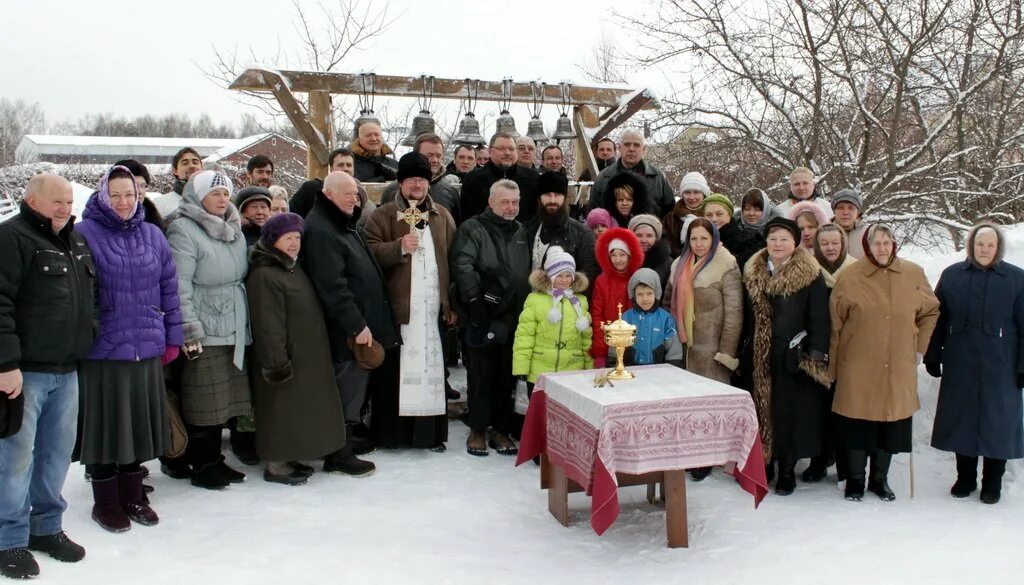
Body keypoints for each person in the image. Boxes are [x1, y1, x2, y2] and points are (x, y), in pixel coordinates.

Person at [73, 165, 182, 531]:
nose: (123, 202)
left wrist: (173, 337)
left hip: (147, 345)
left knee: (137, 423)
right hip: (103, 350)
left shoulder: (153, 234)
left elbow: (169, 288)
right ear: (103, 195)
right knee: (106, 426)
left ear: (140, 197)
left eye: (130, 194)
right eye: (115, 194)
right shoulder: (83, 234)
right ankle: (105, 502)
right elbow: (79, 295)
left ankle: (133, 494)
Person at [0, 174, 93, 579]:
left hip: (67, 369)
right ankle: (9, 539)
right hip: (27, 373)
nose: (65, 208)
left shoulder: (74, 241)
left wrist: (91, 333)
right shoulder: (11, 238)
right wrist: (5, 364)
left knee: (57, 455)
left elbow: (90, 297)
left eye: (69, 202)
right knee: (15, 460)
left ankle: (46, 527)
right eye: (57, 202)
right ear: (33, 200)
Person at [830, 223, 939, 502]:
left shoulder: (912, 273)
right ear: (867, 246)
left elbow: (930, 312)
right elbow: (835, 323)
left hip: (898, 363)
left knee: (889, 425)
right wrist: (833, 367)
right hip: (857, 364)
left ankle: (880, 478)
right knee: (857, 424)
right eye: (876, 243)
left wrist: (919, 349)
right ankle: (855, 480)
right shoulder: (851, 276)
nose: (882, 248)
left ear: (894, 245)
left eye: (887, 242)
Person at [303, 171, 397, 473]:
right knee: (347, 387)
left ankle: (344, 442)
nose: (354, 199)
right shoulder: (321, 229)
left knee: (355, 387)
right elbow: (333, 286)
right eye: (347, 194)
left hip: (359, 325)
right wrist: (356, 325)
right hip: (345, 331)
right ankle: (338, 453)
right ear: (329, 194)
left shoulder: (341, 223)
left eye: (356, 195)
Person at [166, 170, 253, 490]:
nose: (221, 199)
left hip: (234, 320)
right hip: (204, 321)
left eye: (225, 193)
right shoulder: (183, 229)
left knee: (225, 398)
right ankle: (202, 463)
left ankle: (216, 459)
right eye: (214, 193)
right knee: (204, 397)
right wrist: (189, 329)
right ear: (197, 196)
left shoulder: (235, 227)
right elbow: (179, 284)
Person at [925, 223, 1024, 504]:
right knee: (962, 418)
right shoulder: (953, 275)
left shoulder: (1017, 279)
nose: (984, 250)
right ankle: (965, 477)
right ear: (971, 246)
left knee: (998, 421)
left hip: (1002, 363)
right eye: (980, 244)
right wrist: (933, 353)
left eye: (990, 245)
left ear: (998, 248)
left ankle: (993, 481)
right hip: (961, 360)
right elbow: (938, 319)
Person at [246, 213, 346, 485]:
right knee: (278, 411)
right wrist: (277, 362)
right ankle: (276, 465)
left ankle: (290, 457)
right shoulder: (265, 274)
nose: (293, 243)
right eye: (287, 238)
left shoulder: (292, 267)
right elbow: (268, 324)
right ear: (272, 240)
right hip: (282, 359)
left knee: (294, 412)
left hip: (304, 357)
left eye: (297, 238)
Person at [365, 153, 456, 451]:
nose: (417, 185)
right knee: (396, 376)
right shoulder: (384, 215)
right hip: (399, 312)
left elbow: (453, 259)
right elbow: (368, 253)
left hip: (431, 312)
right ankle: (394, 435)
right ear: (401, 183)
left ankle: (428, 436)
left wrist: (450, 304)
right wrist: (398, 247)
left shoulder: (441, 216)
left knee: (431, 371)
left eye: (422, 180)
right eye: (411, 180)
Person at [744, 217, 831, 496]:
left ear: (795, 242)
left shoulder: (810, 274)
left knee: (789, 413)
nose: (777, 244)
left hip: (792, 353)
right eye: (772, 239)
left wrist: (812, 353)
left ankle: (786, 470)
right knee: (761, 409)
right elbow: (745, 315)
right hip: (759, 354)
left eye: (783, 239)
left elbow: (819, 316)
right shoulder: (753, 270)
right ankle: (765, 462)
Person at [450, 179, 532, 457]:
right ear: (491, 202)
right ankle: (477, 429)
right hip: (481, 313)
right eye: (505, 202)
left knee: (505, 374)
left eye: (515, 202)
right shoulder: (473, 229)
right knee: (480, 373)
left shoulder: (522, 231)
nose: (510, 207)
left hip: (514, 315)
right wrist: (476, 299)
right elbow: (462, 263)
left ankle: (500, 428)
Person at [512, 247, 593, 387]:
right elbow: (524, 336)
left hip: (571, 370)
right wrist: (521, 367)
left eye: (568, 276)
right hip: (539, 370)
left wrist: (589, 368)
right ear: (550, 277)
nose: (564, 280)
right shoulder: (535, 299)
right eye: (559, 276)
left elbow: (586, 339)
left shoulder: (580, 301)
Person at [524, 172, 599, 288]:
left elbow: (587, 278)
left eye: (557, 194)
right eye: (547, 194)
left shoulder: (582, 234)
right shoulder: (527, 230)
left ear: (565, 198)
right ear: (539, 198)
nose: (552, 200)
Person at [591, 227, 645, 368]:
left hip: (633, 344)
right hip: (609, 342)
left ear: (630, 255)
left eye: (622, 254)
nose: (617, 259)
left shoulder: (638, 278)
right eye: (613, 255)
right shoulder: (601, 281)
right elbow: (597, 315)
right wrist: (600, 349)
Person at [590, 129, 675, 217]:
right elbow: (592, 212)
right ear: (619, 148)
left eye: (636, 145)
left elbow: (670, 212)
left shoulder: (657, 177)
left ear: (644, 149)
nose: (631, 149)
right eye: (627, 144)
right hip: (614, 230)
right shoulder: (604, 177)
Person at [381, 133, 461, 224]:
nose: (435, 160)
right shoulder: (392, 190)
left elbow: (454, 229)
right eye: (429, 155)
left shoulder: (449, 192)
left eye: (438, 156)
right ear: (416, 155)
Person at [460, 132, 540, 222]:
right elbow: (468, 217)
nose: (507, 153)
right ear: (490, 151)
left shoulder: (532, 178)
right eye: (501, 148)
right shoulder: (473, 179)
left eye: (511, 149)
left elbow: (536, 216)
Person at [289, 148, 376, 223]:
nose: (345, 168)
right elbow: (291, 214)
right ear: (331, 168)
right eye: (340, 165)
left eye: (349, 165)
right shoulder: (311, 189)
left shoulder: (361, 197)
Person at [621, 268, 677, 366]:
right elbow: (617, 344)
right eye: (640, 294)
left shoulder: (666, 319)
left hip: (657, 370)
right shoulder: (626, 318)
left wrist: (674, 367)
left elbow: (673, 349)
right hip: (631, 369)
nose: (645, 299)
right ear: (633, 296)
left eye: (649, 293)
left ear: (656, 293)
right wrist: (612, 363)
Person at [702, 193, 765, 271]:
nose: (714, 219)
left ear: (730, 215)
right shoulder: (697, 240)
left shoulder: (750, 242)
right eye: (708, 215)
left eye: (719, 214)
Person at [663, 171, 709, 257]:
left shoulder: (711, 216)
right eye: (687, 192)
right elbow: (666, 247)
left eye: (696, 192)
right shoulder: (671, 218)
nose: (691, 197)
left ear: (704, 194)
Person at [152, 147, 203, 219]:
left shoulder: (215, 200)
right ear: (175, 170)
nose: (192, 166)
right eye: (185, 163)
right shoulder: (160, 203)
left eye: (195, 162)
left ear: (202, 168)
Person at [113, 159, 163, 228]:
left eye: (143, 185)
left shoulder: (154, 224)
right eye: (134, 185)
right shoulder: (98, 224)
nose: (140, 191)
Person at [629, 214, 673, 289]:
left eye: (649, 236)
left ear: (656, 238)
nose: (644, 240)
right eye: (639, 235)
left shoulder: (667, 263)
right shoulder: (624, 258)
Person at [831, 188, 866, 259]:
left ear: (857, 213)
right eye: (841, 208)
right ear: (834, 211)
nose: (845, 212)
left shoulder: (868, 235)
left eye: (851, 208)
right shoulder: (822, 234)